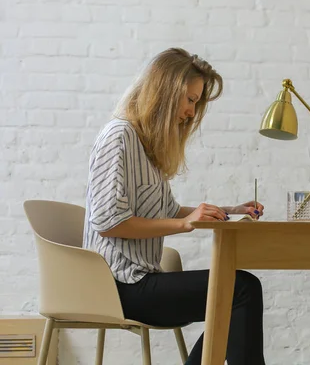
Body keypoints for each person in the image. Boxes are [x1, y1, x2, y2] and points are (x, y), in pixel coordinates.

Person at [82, 47, 266, 365]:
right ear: (165, 91)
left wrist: (230, 210)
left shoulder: (145, 146)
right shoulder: (119, 136)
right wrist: (186, 223)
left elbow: (168, 211)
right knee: (241, 290)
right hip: (118, 285)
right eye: (190, 99)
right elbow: (109, 221)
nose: (192, 113)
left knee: (236, 293)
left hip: (138, 279)